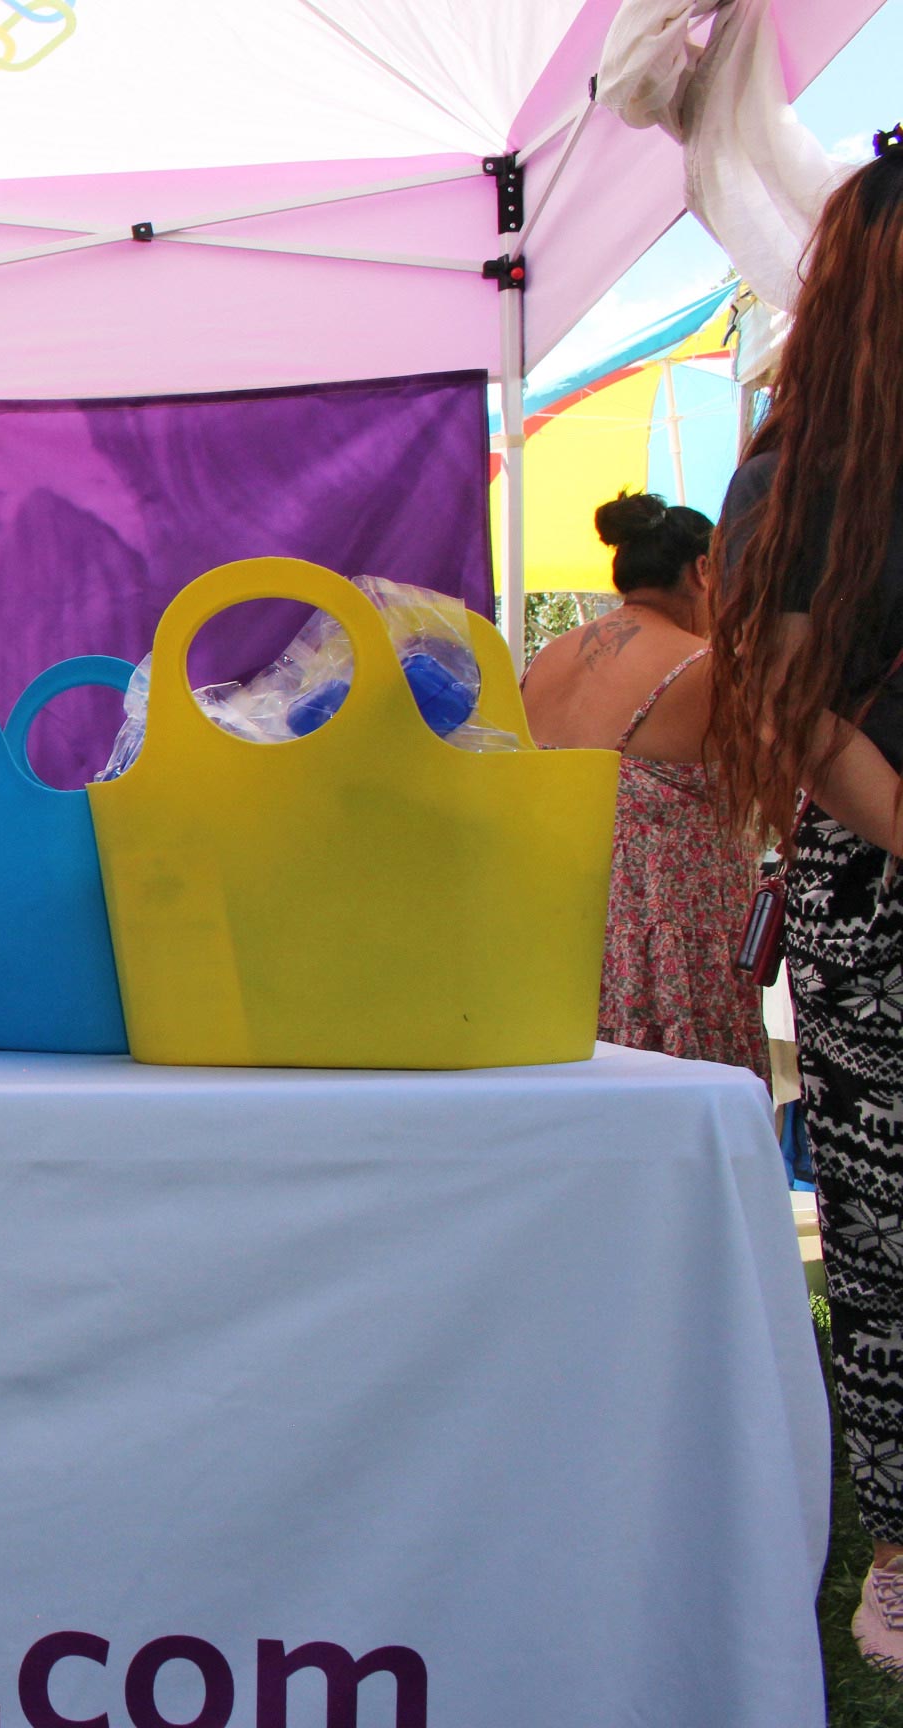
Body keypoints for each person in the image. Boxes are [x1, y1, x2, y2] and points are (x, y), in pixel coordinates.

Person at [700, 132, 903, 1677]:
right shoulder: (803, 466)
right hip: (879, 894)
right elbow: (778, 687)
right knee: (891, 1245)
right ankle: (898, 1551)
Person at [520, 492, 767, 1081]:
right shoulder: (707, 667)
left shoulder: (546, 661)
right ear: (703, 570)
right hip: (671, 955)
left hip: (556, 941)